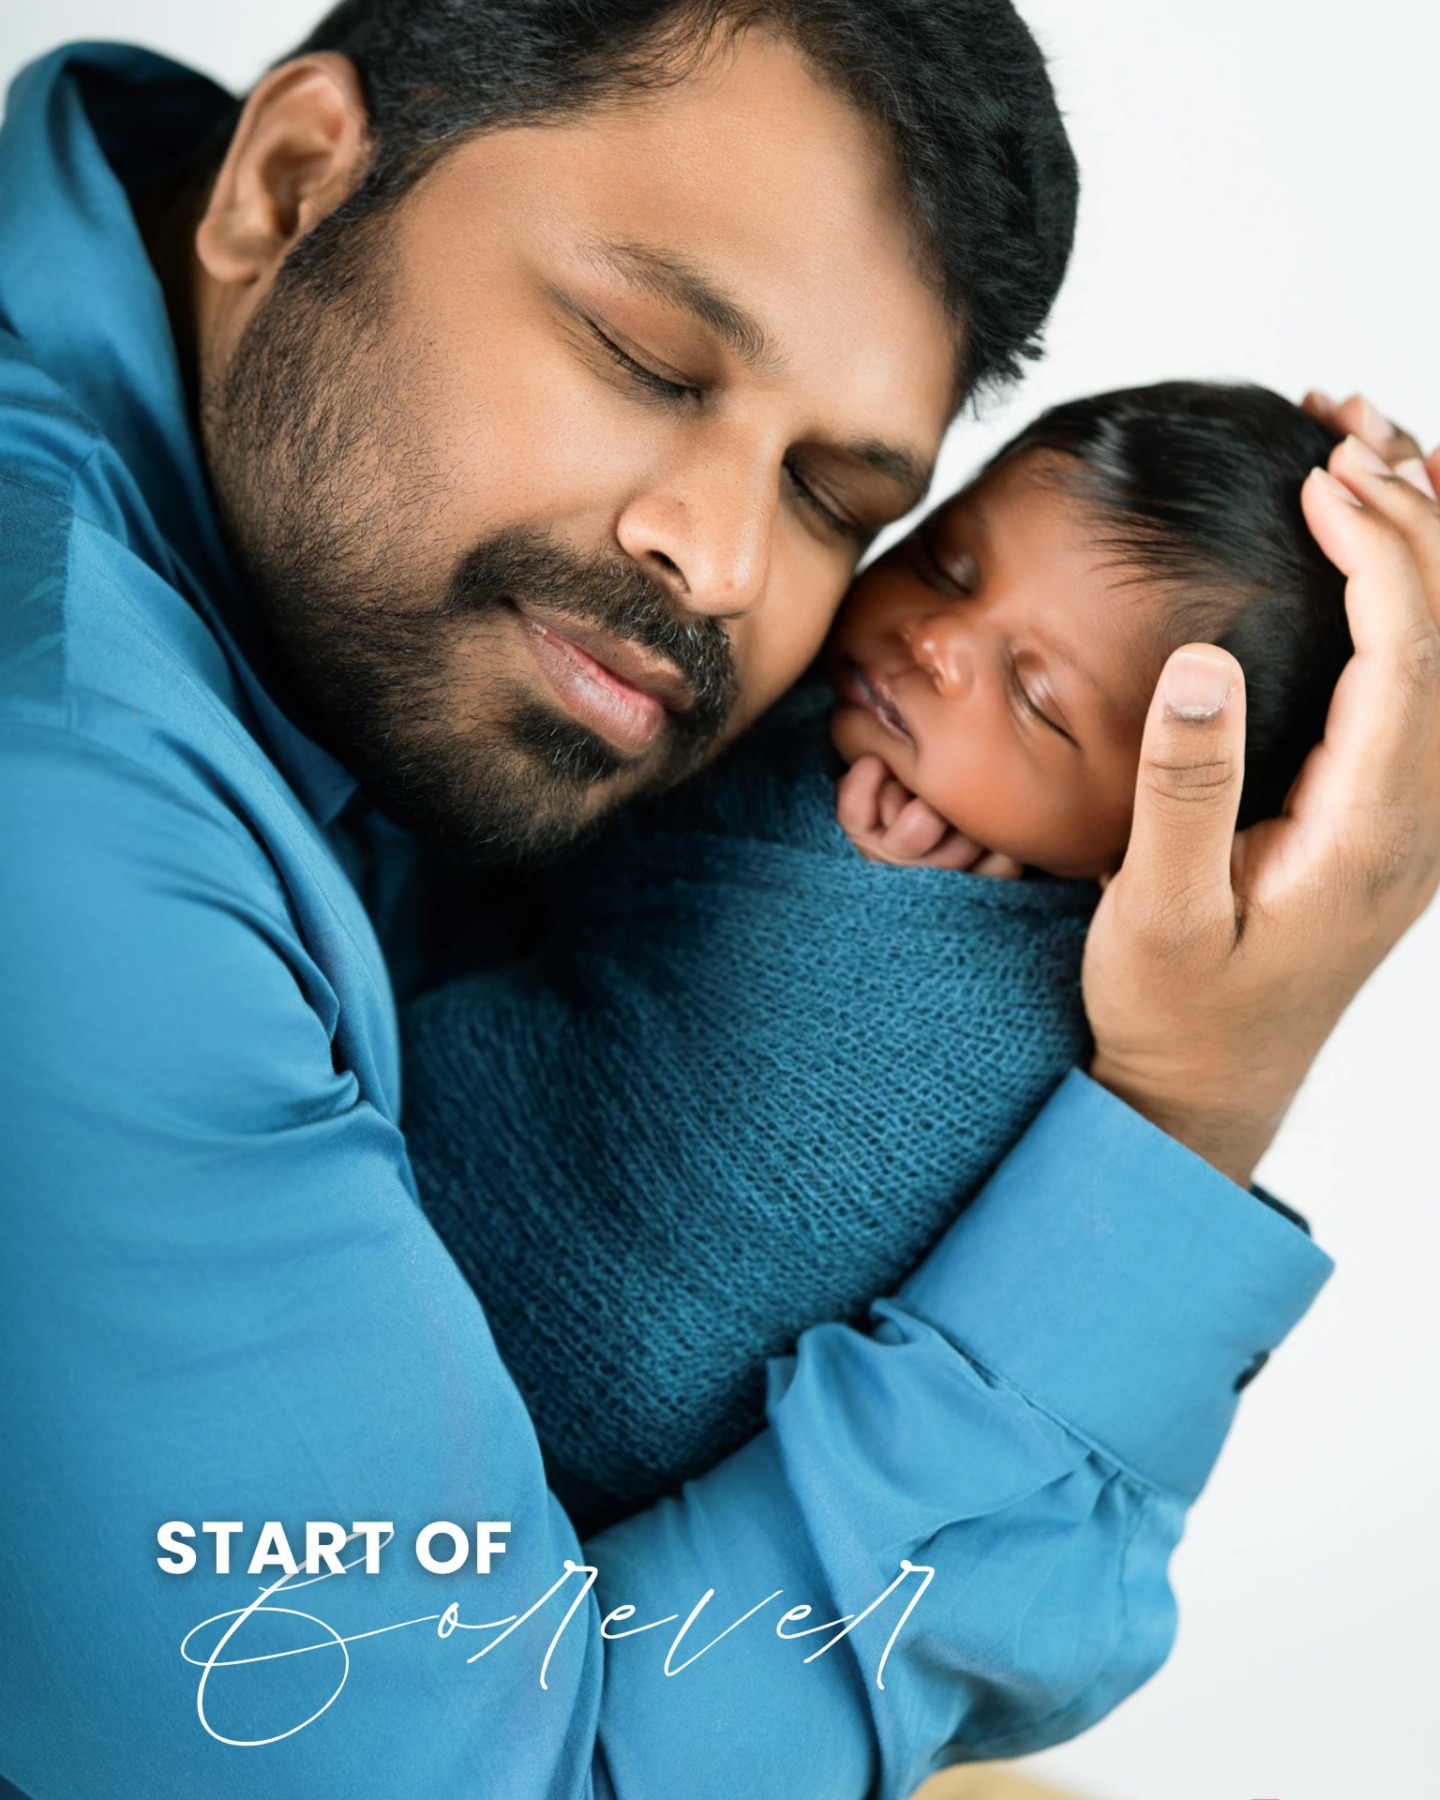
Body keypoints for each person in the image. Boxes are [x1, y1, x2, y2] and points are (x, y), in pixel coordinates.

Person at [0, 1, 1437, 1794]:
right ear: (292, 180)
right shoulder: (58, 818)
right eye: (651, 359)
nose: (729, 561)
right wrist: (1183, 1114)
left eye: (840, 500)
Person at [403, 381, 1352, 1532]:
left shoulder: (1072, 999)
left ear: (1162, 840)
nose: (937, 641)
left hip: (551, 1399)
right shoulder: (795, 697)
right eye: (949, 567)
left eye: (1036, 697)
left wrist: (839, 890)